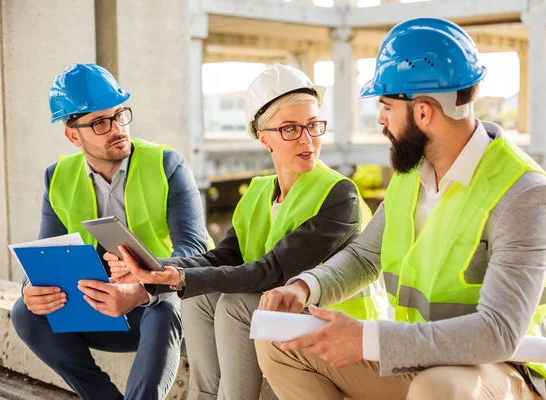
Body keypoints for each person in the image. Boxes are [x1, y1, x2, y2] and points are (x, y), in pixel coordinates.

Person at [255, 18, 546, 400]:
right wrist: (307, 287)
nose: (381, 119)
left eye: (386, 106)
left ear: (423, 113)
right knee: (280, 342)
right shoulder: (411, 174)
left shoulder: (523, 194)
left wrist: (369, 339)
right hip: (417, 357)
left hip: (502, 370)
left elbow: (498, 331)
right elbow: (365, 257)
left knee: (441, 388)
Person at [106, 64, 385, 400]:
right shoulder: (257, 192)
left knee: (233, 304)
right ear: (263, 136)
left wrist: (176, 278)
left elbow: (272, 272)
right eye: (290, 129)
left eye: (313, 125)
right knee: (199, 298)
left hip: (337, 331)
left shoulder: (340, 195)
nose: (307, 139)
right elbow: (222, 258)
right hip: (281, 314)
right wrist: (154, 269)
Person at [11, 63, 210, 400]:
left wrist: (141, 289)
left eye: (119, 115)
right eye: (101, 122)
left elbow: (194, 251)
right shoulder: (56, 177)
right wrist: (32, 287)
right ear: (73, 135)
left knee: (165, 307)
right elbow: (48, 255)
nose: (117, 128)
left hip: (175, 309)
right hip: (107, 309)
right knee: (26, 313)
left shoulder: (168, 165)